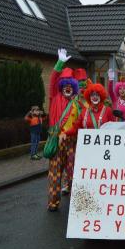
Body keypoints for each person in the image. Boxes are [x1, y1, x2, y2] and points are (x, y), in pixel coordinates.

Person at [47, 49, 81, 211]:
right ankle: (53, 202)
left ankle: (77, 203)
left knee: (74, 171)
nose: (67, 87)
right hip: (56, 139)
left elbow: (81, 122)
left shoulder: (76, 103)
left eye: (70, 85)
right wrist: (60, 63)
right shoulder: (55, 97)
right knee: (55, 172)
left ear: (73, 88)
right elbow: (52, 80)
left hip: (72, 142)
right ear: (61, 87)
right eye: (65, 85)